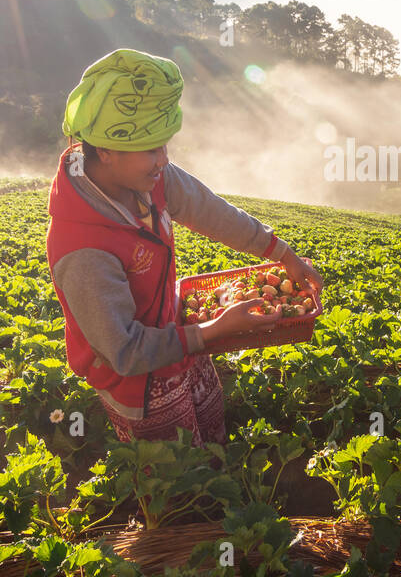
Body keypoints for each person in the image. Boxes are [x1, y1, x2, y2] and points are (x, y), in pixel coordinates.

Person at [46, 49, 324, 445]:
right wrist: (213, 331)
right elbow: (124, 351)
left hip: (180, 338)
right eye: (150, 149)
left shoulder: (149, 179)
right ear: (105, 151)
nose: (163, 160)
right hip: (138, 385)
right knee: (179, 479)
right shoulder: (82, 249)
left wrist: (283, 254)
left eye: (164, 146)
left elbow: (211, 211)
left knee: (211, 436)